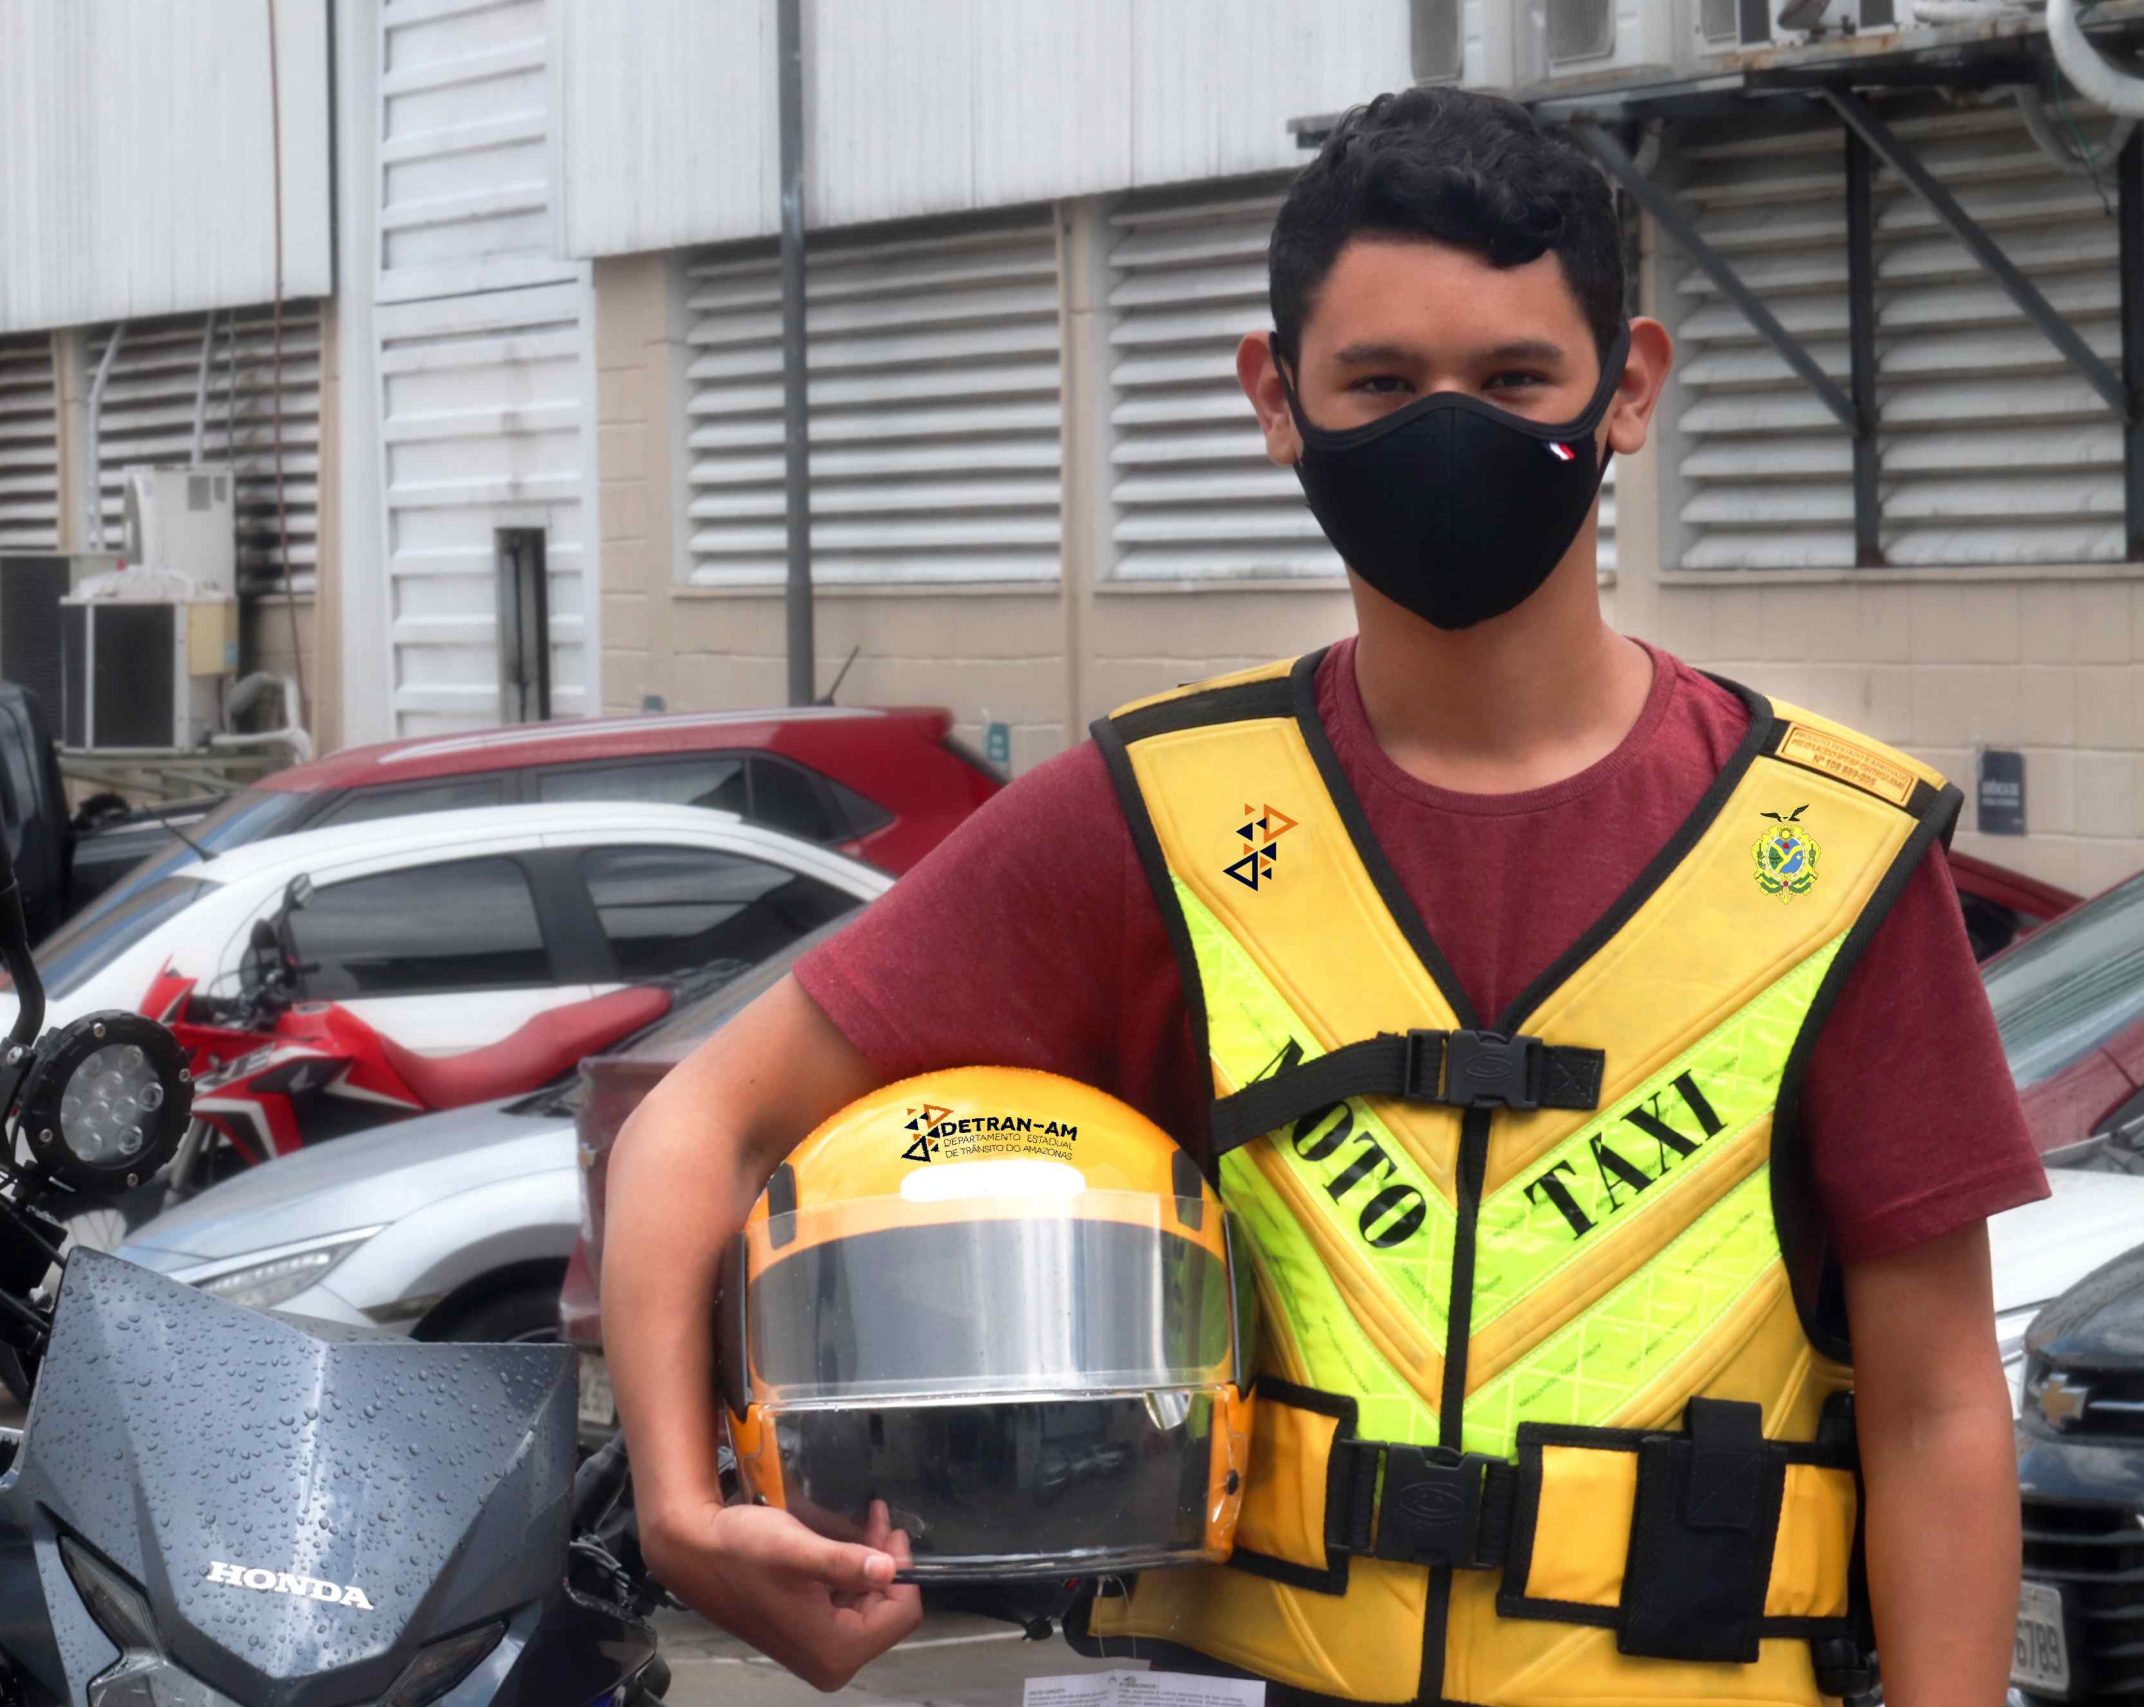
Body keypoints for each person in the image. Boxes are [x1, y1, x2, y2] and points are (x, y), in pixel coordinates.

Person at [601, 86, 2043, 1705]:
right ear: (1275, 399)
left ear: (1627, 386)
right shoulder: (1150, 818)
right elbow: (699, 1124)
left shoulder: (1831, 855)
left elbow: (1938, 1413)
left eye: (1514, 381)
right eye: (1381, 382)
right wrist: (676, 1507)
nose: (1449, 432)